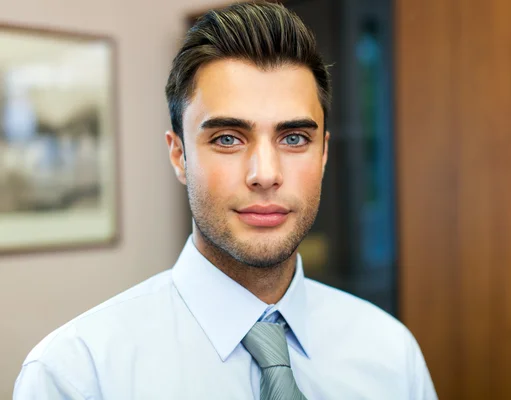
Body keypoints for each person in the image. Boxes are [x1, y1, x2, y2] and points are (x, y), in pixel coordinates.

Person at [14, 2, 437, 399]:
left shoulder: (392, 356)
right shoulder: (78, 375)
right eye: (228, 139)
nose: (265, 174)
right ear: (179, 155)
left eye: (293, 138)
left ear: (324, 154)